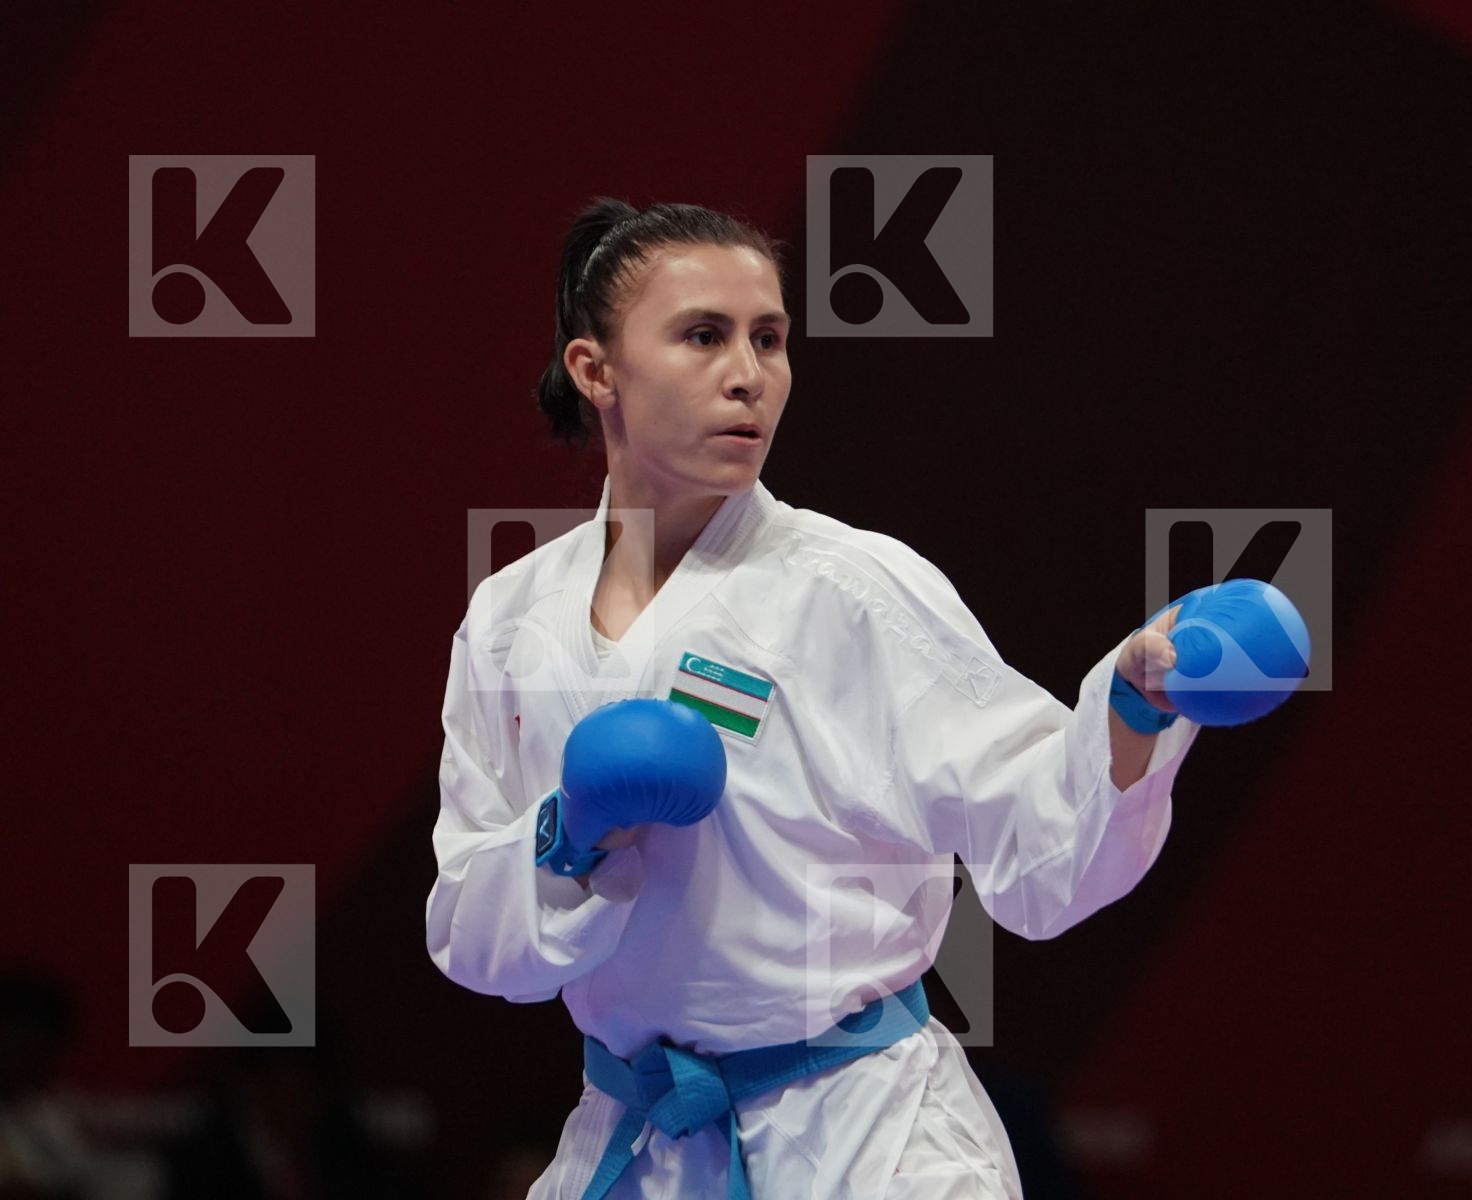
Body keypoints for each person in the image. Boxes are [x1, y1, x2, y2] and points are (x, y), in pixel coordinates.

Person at [425, 197, 1205, 1199]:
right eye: (704, 336)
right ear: (596, 370)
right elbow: (470, 937)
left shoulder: (853, 589)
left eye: (770, 339)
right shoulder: (510, 618)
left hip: (870, 1145)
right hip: (637, 1138)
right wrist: (568, 834)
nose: (749, 375)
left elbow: (1040, 848)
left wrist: (1131, 714)